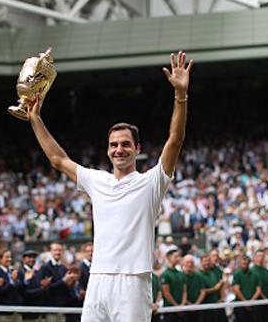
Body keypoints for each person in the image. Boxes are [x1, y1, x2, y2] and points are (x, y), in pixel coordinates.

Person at [26, 51, 193, 322]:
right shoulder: (97, 180)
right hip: (98, 279)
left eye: (126, 144)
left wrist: (180, 96)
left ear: (137, 149)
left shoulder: (151, 182)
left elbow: (175, 139)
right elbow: (58, 159)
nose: (119, 149)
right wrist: (35, 119)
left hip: (133, 281)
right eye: (114, 145)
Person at [0, 249, 24, 322]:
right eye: (7, 257)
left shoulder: (14, 272)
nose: (10, 259)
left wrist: (17, 281)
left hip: (16, 311)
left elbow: (20, 289)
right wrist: (11, 281)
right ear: (0, 259)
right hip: (4, 312)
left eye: (10, 257)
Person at [161, 249, 187, 322]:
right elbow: (166, 293)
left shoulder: (181, 273)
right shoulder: (166, 274)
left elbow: (184, 291)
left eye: (178, 256)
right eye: (175, 256)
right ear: (168, 258)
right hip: (170, 311)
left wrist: (182, 306)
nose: (178, 258)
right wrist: (177, 307)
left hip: (181, 310)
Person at [250, 250, 268, 322]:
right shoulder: (252, 271)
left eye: (263, 256)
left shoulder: (266, 271)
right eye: (259, 255)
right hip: (257, 303)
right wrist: (266, 300)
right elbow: (258, 288)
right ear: (255, 258)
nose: (261, 258)